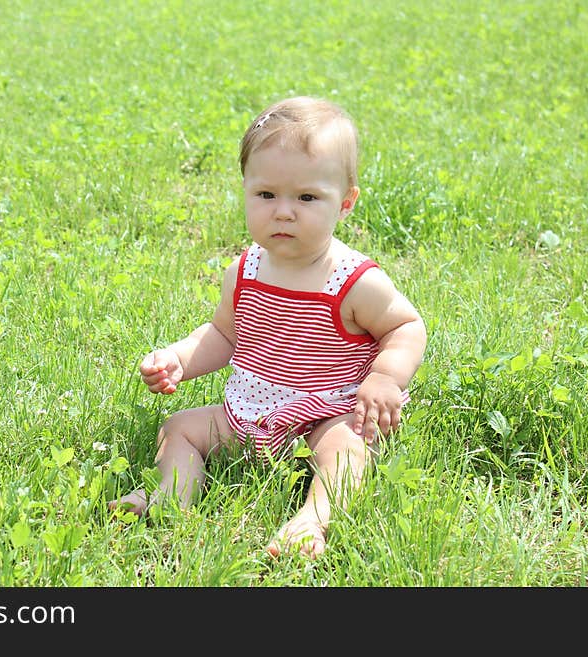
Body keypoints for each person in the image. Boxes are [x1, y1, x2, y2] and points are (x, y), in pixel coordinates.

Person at [109, 96, 427, 558]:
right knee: (180, 427)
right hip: (252, 410)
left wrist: (384, 378)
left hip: (328, 409)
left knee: (346, 448)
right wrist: (178, 359)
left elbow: (406, 327)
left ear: (346, 203)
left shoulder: (355, 281)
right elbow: (223, 334)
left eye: (307, 197)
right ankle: (170, 497)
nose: (283, 211)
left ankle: (312, 521)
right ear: (245, 190)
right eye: (266, 194)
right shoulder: (246, 269)